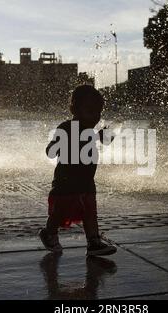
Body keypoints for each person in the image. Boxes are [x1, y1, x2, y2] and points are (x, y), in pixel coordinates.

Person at [39, 85, 117, 257]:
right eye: (90, 110)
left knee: (90, 213)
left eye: (98, 112)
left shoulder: (90, 131)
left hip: (87, 182)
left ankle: (93, 243)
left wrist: (108, 135)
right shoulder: (66, 128)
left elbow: (102, 140)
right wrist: (58, 144)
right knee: (59, 213)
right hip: (65, 183)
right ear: (74, 108)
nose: (95, 116)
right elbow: (50, 151)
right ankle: (48, 232)